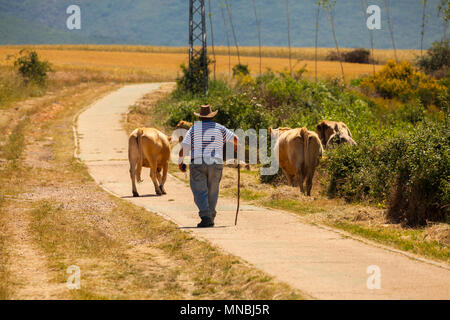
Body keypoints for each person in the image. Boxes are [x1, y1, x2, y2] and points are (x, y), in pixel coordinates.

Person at [178, 105, 239, 228]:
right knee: (213, 191)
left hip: (198, 162)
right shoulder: (220, 128)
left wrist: (180, 162)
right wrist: (236, 149)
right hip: (216, 162)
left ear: (200, 117)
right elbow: (236, 139)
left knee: (199, 190)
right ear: (212, 116)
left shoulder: (193, 129)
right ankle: (210, 217)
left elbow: (183, 148)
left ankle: (206, 217)